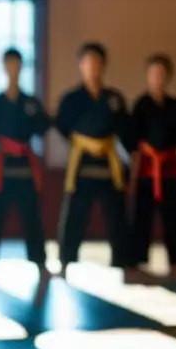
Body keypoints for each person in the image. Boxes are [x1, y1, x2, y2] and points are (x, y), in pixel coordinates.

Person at [55, 42, 131, 277]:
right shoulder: (71, 99)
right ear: (80, 65)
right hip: (82, 165)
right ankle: (66, 261)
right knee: (74, 217)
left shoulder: (114, 98)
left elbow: (125, 128)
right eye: (87, 62)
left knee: (117, 215)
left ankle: (122, 261)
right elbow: (62, 126)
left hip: (109, 164)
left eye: (96, 62)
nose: (92, 67)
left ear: (104, 65)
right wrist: (84, 142)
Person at [0, 48, 50, 277]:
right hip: (3, 165)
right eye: (9, 64)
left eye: (17, 64)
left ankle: (39, 261)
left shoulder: (31, 103)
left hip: (26, 166)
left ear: (21, 67)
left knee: (32, 216)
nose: (13, 69)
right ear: (4, 67)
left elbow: (44, 125)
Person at [127, 54, 176, 276]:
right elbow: (131, 138)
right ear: (147, 77)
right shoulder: (140, 105)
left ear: (168, 77)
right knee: (142, 215)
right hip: (147, 168)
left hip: (169, 169)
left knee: (175, 215)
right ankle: (137, 258)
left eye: (162, 74)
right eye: (154, 73)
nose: (158, 78)